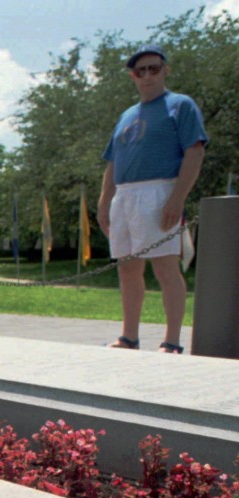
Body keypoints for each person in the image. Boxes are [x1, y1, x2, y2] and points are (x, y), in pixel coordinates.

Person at [97, 44, 207, 355]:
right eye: (140, 70)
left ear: (165, 70)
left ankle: (172, 342)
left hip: (159, 191)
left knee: (164, 267)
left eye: (153, 68)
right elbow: (112, 163)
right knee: (127, 268)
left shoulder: (180, 105)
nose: (147, 75)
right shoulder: (127, 115)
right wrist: (105, 202)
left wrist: (177, 199)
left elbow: (195, 152)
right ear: (133, 76)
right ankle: (129, 337)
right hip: (125, 195)